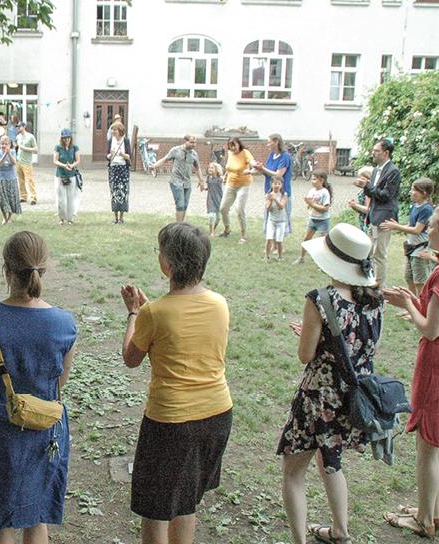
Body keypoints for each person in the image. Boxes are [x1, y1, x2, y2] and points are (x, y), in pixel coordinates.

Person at [0, 231, 77, 543]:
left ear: (6, 269)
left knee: (2, 517)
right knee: (37, 516)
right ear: (43, 270)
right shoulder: (64, 323)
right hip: (45, 428)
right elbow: (59, 383)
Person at [120, 222, 233, 544]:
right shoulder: (219, 304)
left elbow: (131, 358)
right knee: (186, 499)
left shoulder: (154, 312)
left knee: (155, 508)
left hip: (171, 423)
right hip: (217, 415)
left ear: (167, 264)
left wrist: (133, 313)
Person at [278, 223, 384, 544]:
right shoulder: (377, 299)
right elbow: (363, 347)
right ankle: (341, 532)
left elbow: (305, 355)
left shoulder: (321, 299)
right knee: (331, 461)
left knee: (293, 473)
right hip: (353, 399)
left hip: (318, 400)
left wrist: (312, 336)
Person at [382, 202, 439, 539]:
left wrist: (406, 303)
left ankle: (423, 520)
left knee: (427, 445)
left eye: (433, 227)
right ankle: (431, 511)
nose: (428, 231)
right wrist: (416, 301)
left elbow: (431, 329)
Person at [353, 138, 401, 287]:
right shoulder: (375, 170)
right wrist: (364, 186)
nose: (373, 153)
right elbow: (373, 193)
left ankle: (380, 286)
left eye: (376, 151)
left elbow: (386, 195)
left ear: (386, 153)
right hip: (374, 215)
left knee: (380, 254)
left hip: (385, 217)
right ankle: (370, 279)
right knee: (370, 251)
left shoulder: (393, 171)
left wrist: (367, 186)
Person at [380, 178, 434, 297]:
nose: (410, 192)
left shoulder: (426, 209)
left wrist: (396, 226)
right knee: (409, 278)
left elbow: (417, 230)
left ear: (424, 193)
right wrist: (397, 226)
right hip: (412, 248)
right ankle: (413, 306)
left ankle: (421, 308)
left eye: (414, 190)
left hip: (420, 250)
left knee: (419, 281)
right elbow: (410, 225)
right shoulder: (415, 206)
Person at [149, 135, 205, 222]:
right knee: (180, 205)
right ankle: (178, 226)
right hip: (176, 181)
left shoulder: (194, 154)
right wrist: (154, 166)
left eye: (195, 143)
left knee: (185, 205)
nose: (194, 145)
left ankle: (180, 225)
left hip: (187, 182)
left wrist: (201, 180)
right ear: (185, 141)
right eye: (191, 142)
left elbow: (197, 167)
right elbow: (165, 159)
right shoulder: (175, 150)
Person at [254, 133, 293, 236]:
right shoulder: (271, 155)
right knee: (270, 215)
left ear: (276, 142)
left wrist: (262, 169)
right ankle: (271, 241)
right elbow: (266, 171)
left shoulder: (285, 157)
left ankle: (280, 243)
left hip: (282, 192)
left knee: (282, 216)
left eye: (269, 142)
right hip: (270, 190)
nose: (268, 145)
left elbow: (279, 174)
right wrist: (254, 170)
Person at [218, 137, 255, 243]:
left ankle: (244, 236)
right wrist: (225, 175)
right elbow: (229, 167)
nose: (232, 148)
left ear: (239, 144)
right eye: (230, 146)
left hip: (243, 185)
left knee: (239, 209)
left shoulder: (245, 152)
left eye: (234, 145)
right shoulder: (230, 153)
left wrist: (252, 169)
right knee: (223, 208)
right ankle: (227, 230)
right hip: (230, 184)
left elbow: (252, 162)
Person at [293, 172, 333, 264]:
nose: (312, 181)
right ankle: (301, 258)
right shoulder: (312, 191)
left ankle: (325, 263)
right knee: (306, 239)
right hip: (313, 219)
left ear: (321, 180)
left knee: (324, 243)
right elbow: (310, 204)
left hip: (323, 221)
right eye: (312, 179)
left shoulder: (324, 192)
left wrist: (311, 204)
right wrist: (308, 204)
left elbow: (325, 209)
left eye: (314, 179)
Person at [54, 128, 81, 225]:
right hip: (60, 175)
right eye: (65, 138)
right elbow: (55, 160)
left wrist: (72, 165)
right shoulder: (58, 147)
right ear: (62, 138)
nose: (66, 140)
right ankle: (61, 219)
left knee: (71, 198)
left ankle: (70, 219)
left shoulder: (75, 147)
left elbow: (78, 160)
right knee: (61, 198)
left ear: (71, 138)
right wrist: (64, 165)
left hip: (71, 175)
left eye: (68, 138)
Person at [107, 123, 132, 224]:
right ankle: (115, 218)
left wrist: (122, 154)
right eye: (112, 130)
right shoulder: (110, 141)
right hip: (113, 169)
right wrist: (110, 155)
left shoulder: (126, 141)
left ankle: (121, 218)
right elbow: (107, 155)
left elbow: (129, 156)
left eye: (115, 130)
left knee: (123, 191)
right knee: (114, 192)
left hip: (123, 169)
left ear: (120, 131)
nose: (113, 132)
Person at [0, 135, 22, 225]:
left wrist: (8, 153)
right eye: (2, 144)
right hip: (0, 178)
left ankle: (9, 217)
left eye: (6, 144)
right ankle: (4, 217)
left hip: (11, 177)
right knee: (2, 199)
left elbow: (14, 162)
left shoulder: (12, 152)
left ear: (10, 145)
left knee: (11, 198)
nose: (4, 146)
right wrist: (5, 154)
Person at [264, 176, 289, 262]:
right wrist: (270, 199)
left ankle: (280, 256)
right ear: (271, 185)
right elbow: (267, 207)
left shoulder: (284, 195)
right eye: (275, 183)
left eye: (279, 184)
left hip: (281, 222)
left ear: (281, 185)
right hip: (271, 221)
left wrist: (275, 199)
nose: (277, 185)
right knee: (269, 239)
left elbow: (281, 206)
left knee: (279, 240)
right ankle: (267, 256)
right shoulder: (268, 195)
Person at [15, 122, 38, 205]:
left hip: (27, 162)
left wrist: (25, 148)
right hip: (19, 161)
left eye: (19, 126)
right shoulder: (18, 137)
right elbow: (16, 146)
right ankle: (23, 196)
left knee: (30, 180)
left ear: (24, 127)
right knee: (21, 180)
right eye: (17, 127)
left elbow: (35, 149)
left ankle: (33, 197)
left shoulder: (30, 137)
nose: (18, 128)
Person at [346, 166, 374, 234]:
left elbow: (368, 210)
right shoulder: (364, 189)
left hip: (368, 221)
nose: (358, 180)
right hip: (362, 220)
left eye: (361, 178)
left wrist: (355, 205)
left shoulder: (369, 191)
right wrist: (354, 206)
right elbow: (361, 210)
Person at [205, 163, 224, 236]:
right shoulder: (208, 178)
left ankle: (213, 229)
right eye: (209, 167)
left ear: (216, 170)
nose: (210, 169)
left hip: (219, 199)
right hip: (210, 199)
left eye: (212, 168)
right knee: (211, 215)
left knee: (218, 218)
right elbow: (209, 187)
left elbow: (224, 180)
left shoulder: (219, 179)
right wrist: (204, 188)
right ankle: (211, 232)